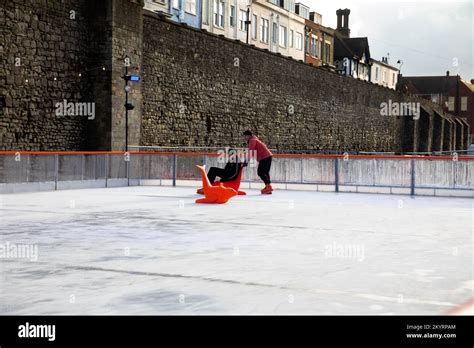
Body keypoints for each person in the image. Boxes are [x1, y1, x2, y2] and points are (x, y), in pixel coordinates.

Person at [243, 130, 273, 194]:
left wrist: (246, 161)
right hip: (267, 156)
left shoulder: (252, 140)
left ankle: (268, 186)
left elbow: (251, 151)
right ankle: (268, 187)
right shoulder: (254, 139)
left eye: (245, 136)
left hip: (265, 157)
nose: (244, 138)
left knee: (260, 172)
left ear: (248, 136)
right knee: (265, 172)